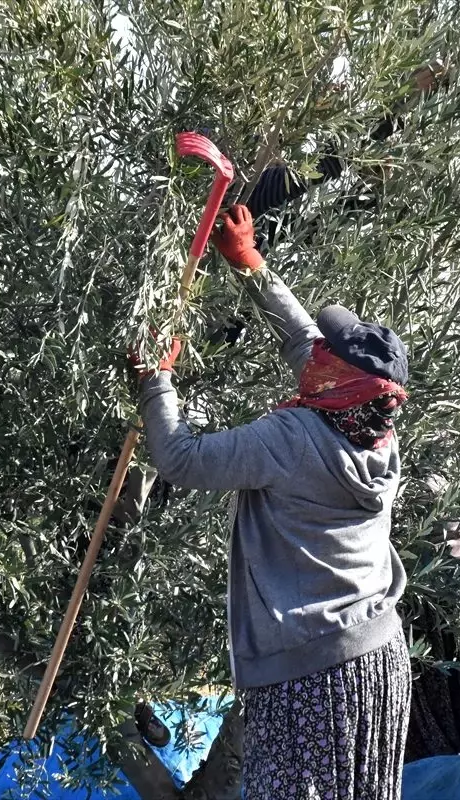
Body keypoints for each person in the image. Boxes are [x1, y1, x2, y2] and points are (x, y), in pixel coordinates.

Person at [129, 203, 412, 800]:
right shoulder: (376, 428)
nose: (317, 350)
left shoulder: (291, 441)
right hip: (379, 657)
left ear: (336, 380)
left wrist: (155, 382)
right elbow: (304, 339)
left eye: (328, 354)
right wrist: (250, 264)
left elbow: (180, 458)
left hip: (309, 677)